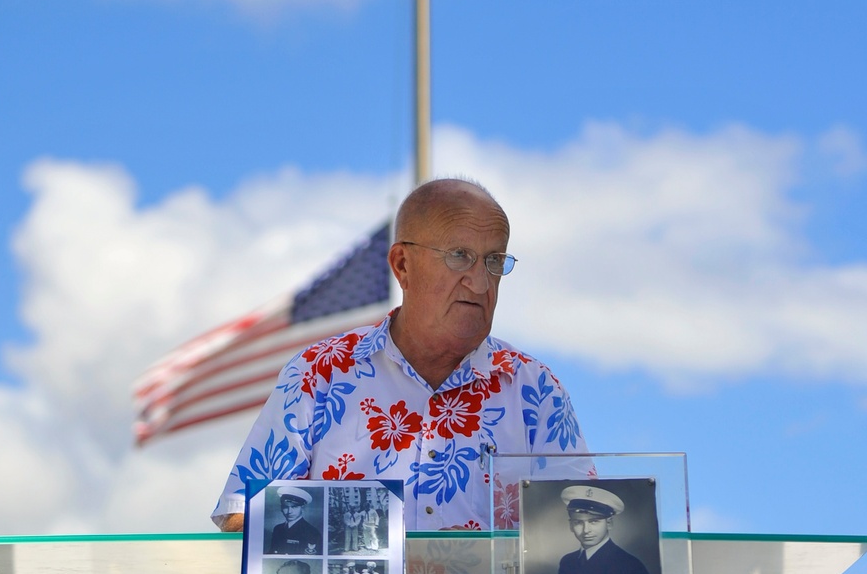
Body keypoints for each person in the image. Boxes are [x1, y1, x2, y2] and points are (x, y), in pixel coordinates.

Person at [212, 178, 589, 533]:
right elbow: (241, 515)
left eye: (494, 261)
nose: (480, 282)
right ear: (402, 265)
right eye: (460, 256)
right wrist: (368, 545)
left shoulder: (536, 391)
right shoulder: (319, 374)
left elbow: (584, 526)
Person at [548, 485, 652, 574]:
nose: (586, 530)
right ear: (571, 525)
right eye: (578, 522)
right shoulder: (568, 562)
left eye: (594, 521)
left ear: (609, 523)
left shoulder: (629, 565)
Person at [267, 489, 322, 555]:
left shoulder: (312, 532)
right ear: (281, 508)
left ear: (302, 508)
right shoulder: (277, 528)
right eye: (286, 507)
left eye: (294, 507)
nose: (289, 511)